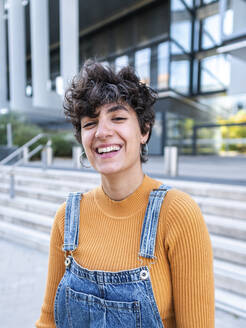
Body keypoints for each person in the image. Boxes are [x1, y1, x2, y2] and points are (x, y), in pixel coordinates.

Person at [36, 60, 214, 328]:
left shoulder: (177, 213)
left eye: (118, 118)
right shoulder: (67, 217)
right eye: (90, 123)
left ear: (144, 130)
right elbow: (49, 322)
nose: (103, 132)